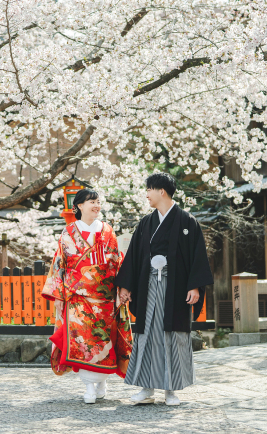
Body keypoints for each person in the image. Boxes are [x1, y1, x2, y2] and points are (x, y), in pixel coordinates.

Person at [115, 172, 213, 406]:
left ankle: (171, 389)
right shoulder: (146, 223)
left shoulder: (187, 221)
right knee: (147, 334)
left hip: (175, 287)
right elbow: (134, 256)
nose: (147, 194)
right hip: (148, 285)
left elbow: (197, 257)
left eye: (149, 189)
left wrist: (195, 286)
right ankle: (146, 388)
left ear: (162, 191)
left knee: (173, 335)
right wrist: (126, 285)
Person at [42, 188, 132, 404]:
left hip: (104, 297)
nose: (96, 205)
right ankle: (89, 386)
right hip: (78, 298)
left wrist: (122, 289)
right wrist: (59, 296)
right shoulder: (68, 233)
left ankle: (101, 382)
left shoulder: (108, 231)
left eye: (98, 201)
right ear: (79, 206)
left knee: (104, 341)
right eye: (91, 201)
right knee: (84, 344)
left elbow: (116, 262)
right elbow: (60, 265)